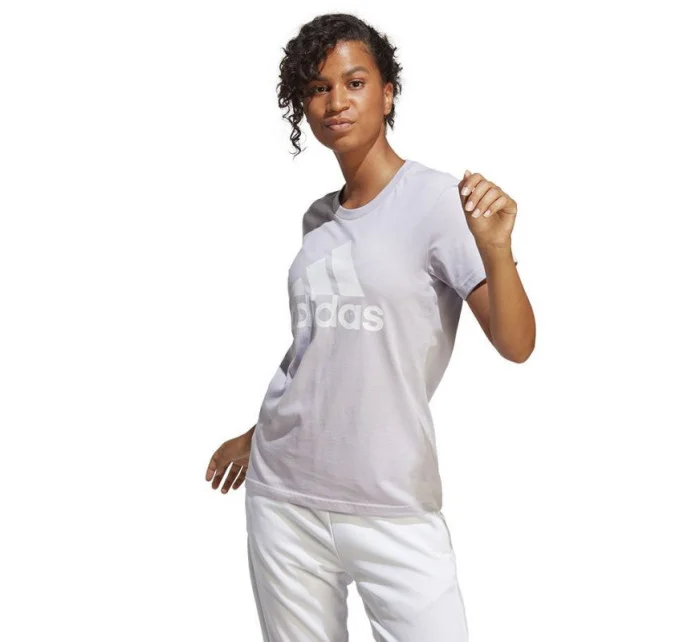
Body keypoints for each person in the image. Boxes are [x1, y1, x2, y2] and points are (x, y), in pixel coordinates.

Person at [205, 12, 535, 642]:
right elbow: (322, 352)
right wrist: (258, 435)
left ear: (387, 93)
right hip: (284, 497)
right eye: (318, 88)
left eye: (354, 83)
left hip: (391, 503)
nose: (336, 102)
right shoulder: (317, 220)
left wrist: (496, 249)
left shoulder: (440, 201)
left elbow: (517, 344)